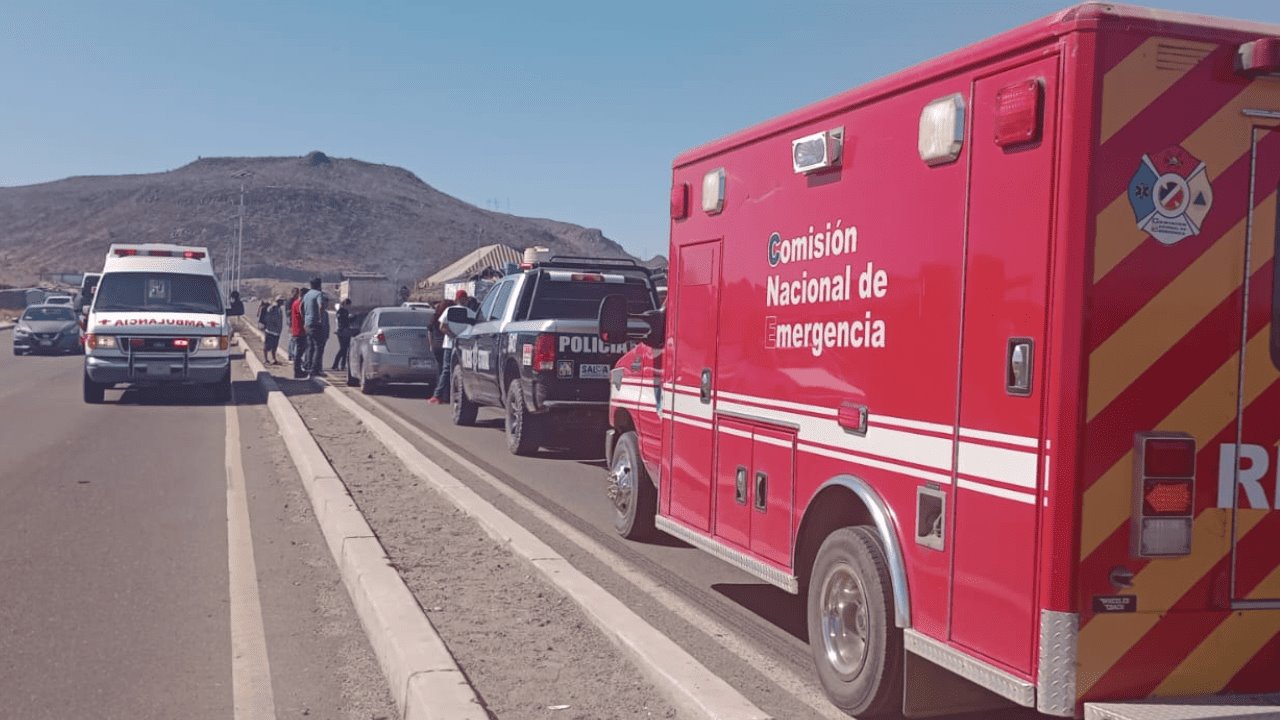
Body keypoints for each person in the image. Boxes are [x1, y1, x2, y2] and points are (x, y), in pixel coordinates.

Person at [302, 277, 326, 377]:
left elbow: (301, 308)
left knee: (310, 346)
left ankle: (308, 366)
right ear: (319, 285)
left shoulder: (306, 295)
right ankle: (314, 369)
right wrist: (320, 319)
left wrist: (305, 319)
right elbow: (321, 306)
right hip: (315, 324)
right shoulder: (318, 294)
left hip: (307, 324)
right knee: (318, 347)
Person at [332, 298, 354, 371]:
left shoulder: (346, 311)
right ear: (345, 304)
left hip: (346, 331)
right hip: (341, 332)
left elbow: (346, 321)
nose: (350, 307)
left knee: (345, 349)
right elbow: (340, 321)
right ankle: (335, 365)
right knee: (342, 348)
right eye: (349, 305)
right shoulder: (341, 311)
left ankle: (342, 365)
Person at [290, 287, 307, 378]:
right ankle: (297, 371)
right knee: (299, 352)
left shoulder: (295, 303)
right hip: (299, 330)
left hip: (297, 330)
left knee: (299, 351)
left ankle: (298, 370)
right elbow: (303, 316)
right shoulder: (299, 303)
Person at [262, 296, 284, 365]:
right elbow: (267, 317)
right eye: (281, 301)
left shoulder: (279, 309)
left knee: (274, 346)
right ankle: (265, 359)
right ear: (278, 301)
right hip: (270, 330)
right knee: (267, 346)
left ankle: (273, 359)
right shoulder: (272, 308)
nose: (283, 302)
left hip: (276, 332)